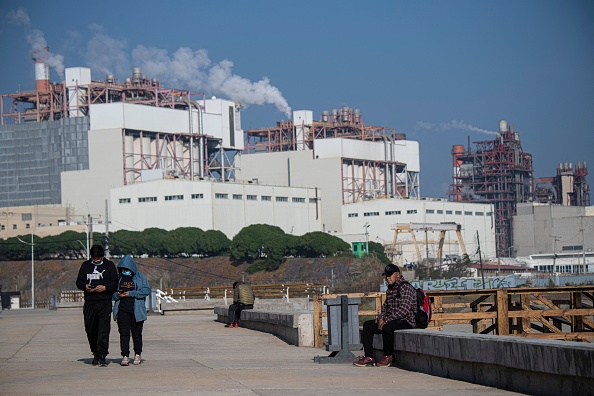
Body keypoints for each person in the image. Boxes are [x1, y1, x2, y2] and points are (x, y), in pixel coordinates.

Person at [353, 264, 416, 367]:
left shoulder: (406, 288)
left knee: (387, 327)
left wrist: (386, 320)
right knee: (367, 325)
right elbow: (385, 308)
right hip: (391, 319)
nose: (387, 278)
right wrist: (381, 318)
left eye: (390, 275)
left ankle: (388, 356)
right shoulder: (390, 289)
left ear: (398, 275)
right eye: (386, 276)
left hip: (406, 320)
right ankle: (369, 357)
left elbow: (403, 311)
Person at [76, 244, 119, 367]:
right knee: (90, 329)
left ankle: (102, 355)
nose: (96, 260)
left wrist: (105, 288)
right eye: (94, 258)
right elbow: (78, 282)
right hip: (90, 302)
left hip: (104, 302)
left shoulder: (109, 265)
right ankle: (95, 352)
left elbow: (115, 282)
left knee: (103, 330)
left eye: (98, 258)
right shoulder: (85, 266)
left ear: (102, 256)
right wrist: (85, 287)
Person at [112, 255, 151, 366]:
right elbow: (112, 294)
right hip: (122, 310)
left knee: (137, 334)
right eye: (123, 269)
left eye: (127, 269)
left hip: (136, 310)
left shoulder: (140, 277)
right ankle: (125, 355)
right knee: (124, 334)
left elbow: (146, 290)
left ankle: (137, 354)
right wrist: (118, 295)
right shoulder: (118, 279)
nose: (125, 271)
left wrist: (131, 293)